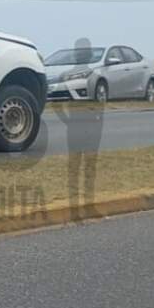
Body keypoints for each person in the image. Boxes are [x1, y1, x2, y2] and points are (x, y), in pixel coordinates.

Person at [51, 38, 105, 220]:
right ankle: (74, 208)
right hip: (75, 128)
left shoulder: (95, 74)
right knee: (74, 166)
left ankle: (89, 205)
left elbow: (100, 104)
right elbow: (58, 103)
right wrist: (67, 121)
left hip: (92, 128)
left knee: (90, 167)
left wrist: (98, 120)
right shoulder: (69, 75)